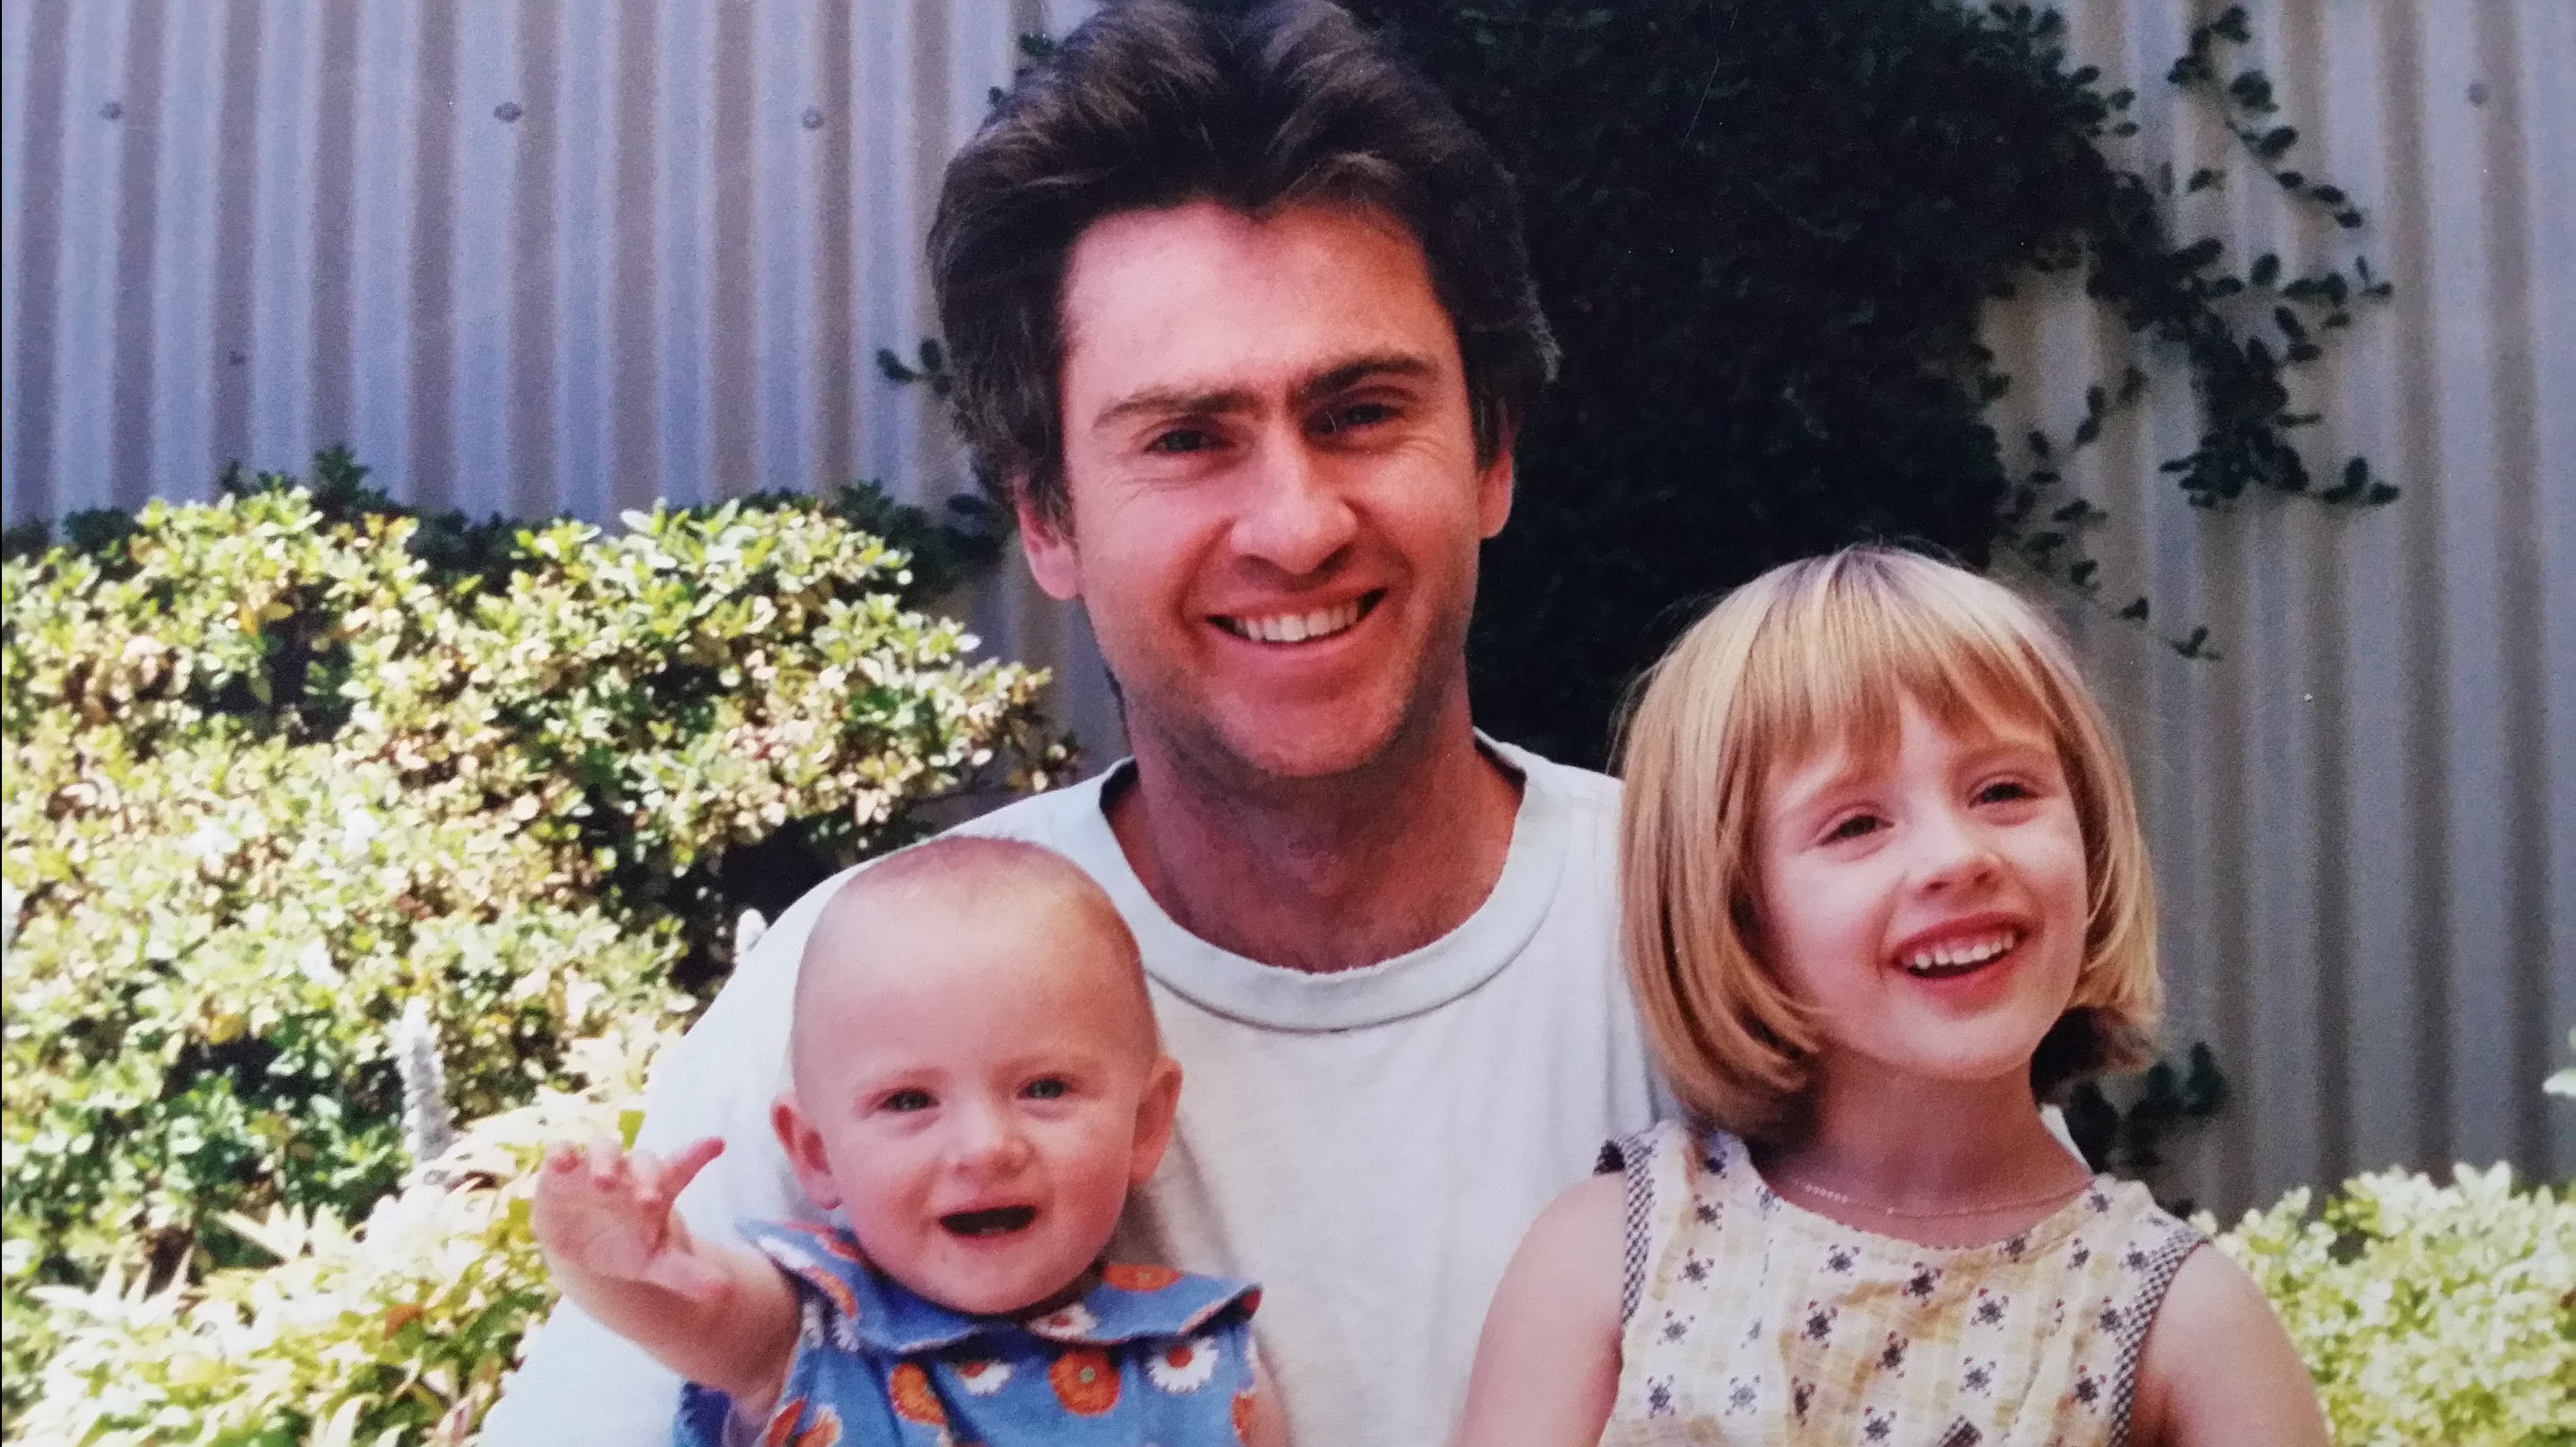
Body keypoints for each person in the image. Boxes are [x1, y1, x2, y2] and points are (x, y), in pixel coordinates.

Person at [486, 4, 1660, 1443]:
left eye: (1359, 411)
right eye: (1186, 437)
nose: (1294, 525)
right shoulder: (876, 985)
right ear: (1046, 512)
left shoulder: (1720, 934)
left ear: (1488, 453)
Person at [1451, 547, 2328, 1446]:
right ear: (1736, 908)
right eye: (1856, 823)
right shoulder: (1615, 1259)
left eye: (2001, 790)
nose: (1956, 857)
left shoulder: (2181, 1325)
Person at [530, 838, 1285, 1446]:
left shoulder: (1207, 1362)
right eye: (909, 1100)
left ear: (1146, 1124)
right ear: (818, 1154)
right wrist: (603, 1260)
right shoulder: (805, 1329)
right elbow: (692, 1306)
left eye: (1044, 1088)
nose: (986, 1146)